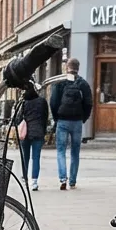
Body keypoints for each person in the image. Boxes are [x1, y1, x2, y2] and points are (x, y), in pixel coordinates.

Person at [50, 58, 92, 190]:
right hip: (77, 122)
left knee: (61, 151)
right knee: (75, 152)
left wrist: (57, 118)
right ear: (78, 68)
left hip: (62, 120)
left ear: (67, 67)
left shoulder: (60, 83)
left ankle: (63, 179)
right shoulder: (83, 84)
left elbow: (53, 102)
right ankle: (73, 180)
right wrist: (83, 118)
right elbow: (88, 103)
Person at [17, 83, 49, 191]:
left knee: (25, 157)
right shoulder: (42, 102)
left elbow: (18, 118)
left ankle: (25, 178)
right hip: (38, 132)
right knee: (36, 158)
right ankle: (34, 182)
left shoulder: (24, 102)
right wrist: (44, 132)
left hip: (25, 133)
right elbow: (45, 118)